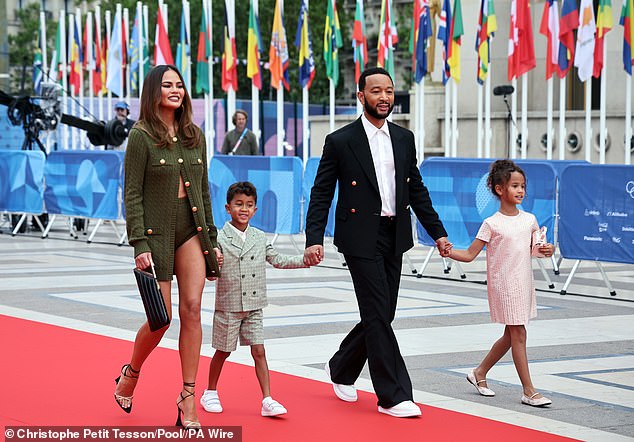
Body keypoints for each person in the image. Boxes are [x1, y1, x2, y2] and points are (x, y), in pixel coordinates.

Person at [304, 67, 451, 418]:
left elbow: (417, 189)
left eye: (388, 91)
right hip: (358, 236)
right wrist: (313, 239)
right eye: (376, 91)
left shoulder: (403, 138)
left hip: (394, 235)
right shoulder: (341, 140)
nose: (384, 97)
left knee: (383, 314)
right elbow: (321, 192)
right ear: (361, 96)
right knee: (376, 313)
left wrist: (439, 233)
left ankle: (341, 367)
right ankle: (393, 395)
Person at [115, 65, 223, 428]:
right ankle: (131, 372)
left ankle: (187, 397)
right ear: (154, 91)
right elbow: (132, 193)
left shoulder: (195, 135)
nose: (175, 90)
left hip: (190, 231)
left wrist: (212, 238)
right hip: (155, 234)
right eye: (167, 85)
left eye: (179, 84)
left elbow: (204, 192)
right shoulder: (141, 135)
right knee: (160, 319)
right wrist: (138, 242)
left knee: (192, 309)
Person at [448, 159, 555, 407]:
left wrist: (548, 249)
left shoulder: (529, 219)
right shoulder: (491, 223)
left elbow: (536, 251)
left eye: (523, 186)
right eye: (515, 186)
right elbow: (469, 254)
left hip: (524, 283)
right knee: (518, 332)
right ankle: (529, 391)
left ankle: (479, 372)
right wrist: (447, 250)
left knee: (511, 334)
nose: (520, 191)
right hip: (504, 285)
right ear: (499, 189)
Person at [201, 181, 310, 417]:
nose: (244, 209)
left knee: (259, 351)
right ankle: (210, 391)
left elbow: (278, 259)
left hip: (254, 305)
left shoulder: (260, 237)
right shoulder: (218, 238)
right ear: (227, 208)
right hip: (228, 306)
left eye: (249, 205)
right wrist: (213, 265)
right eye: (239, 204)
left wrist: (305, 260)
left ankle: (267, 399)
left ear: (255, 210)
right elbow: (210, 275)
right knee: (223, 351)